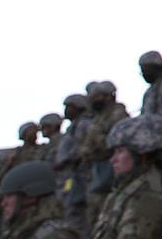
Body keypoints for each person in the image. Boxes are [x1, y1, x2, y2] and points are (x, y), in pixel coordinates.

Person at [90, 114, 162, 239]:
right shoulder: (128, 187)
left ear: (141, 154)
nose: (112, 160)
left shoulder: (149, 194)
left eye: (120, 151)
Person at [77, 81, 128, 231]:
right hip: (97, 168)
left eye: (98, 96)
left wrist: (96, 146)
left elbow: (116, 140)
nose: (94, 100)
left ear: (109, 97)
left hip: (111, 165)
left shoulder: (117, 114)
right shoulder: (98, 118)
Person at [0, 161, 78, 239]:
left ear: (30, 197)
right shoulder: (21, 230)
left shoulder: (55, 234)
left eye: (9, 196)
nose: (3, 204)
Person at [50, 94, 88, 225]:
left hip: (78, 176)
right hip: (67, 178)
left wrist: (64, 160)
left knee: (76, 211)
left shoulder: (83, 124)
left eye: (69, 107)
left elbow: (81, 148)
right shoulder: (71, 128)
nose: (66, 110)